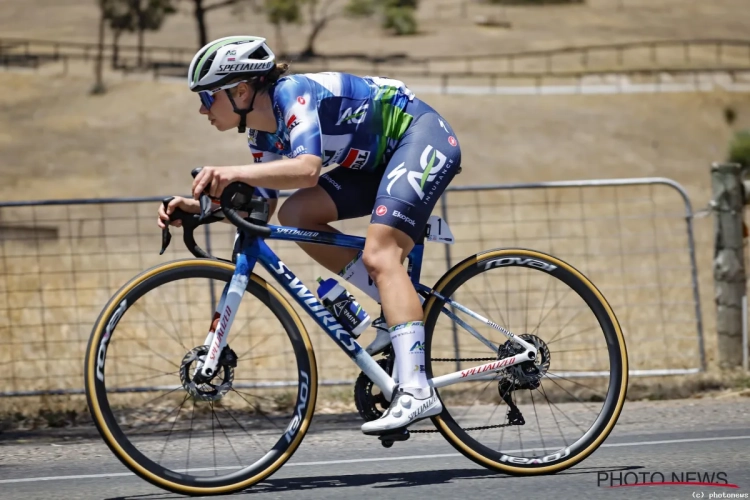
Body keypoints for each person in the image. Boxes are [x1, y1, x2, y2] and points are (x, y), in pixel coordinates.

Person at [157, 36, 462, 435]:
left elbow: (307, 170)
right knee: (296, 214)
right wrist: (198, 209)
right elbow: (261, 209)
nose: (202, 109)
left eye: (208, 98)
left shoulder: (293, 93)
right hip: (376, 163)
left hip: (419, 136)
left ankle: (418, 390)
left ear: (242, 90)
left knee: (381, 255)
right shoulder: (261, 136)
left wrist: (231, 173)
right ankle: (397, 301)